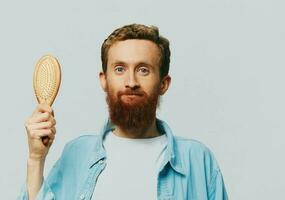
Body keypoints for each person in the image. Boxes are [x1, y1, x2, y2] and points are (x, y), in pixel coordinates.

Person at [18, 24, 228, 200]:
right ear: (104, 79)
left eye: (143, 69)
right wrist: (36, 159)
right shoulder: (77, 154)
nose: (131, 82)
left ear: (163, 83)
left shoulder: (197, 160)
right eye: (120, 69)